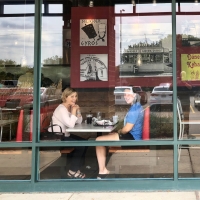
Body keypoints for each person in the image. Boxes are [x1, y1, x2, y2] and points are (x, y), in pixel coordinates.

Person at [95, 87, 144, 179]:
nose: (126, 96)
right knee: (108, 137)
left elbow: (126, 129)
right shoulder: (137, 106)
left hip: (132, 140)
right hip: (133, 137)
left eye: (128, 94)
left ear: (135, 95)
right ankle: (102, 166)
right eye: (125, 94)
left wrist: (119, 131)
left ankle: (102, 171)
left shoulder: (134, 110)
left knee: (98, 140)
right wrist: (117, 133)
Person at [48, 87, 87, 179]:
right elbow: (70, 124)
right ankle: (72, 171)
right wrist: (73, 111)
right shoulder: (62, 109)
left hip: (65, 134)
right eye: (72, 96)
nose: (75, 99)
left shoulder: (68, 108)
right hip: (57, 137)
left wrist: (78, 111)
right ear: (65, 97)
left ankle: (76, 168)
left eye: (76, 96)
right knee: (81, 146)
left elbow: (78, 122)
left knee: (85, 142)